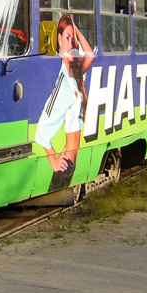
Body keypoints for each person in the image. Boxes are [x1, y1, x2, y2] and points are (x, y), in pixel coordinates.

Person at [34, 14, 95, 190]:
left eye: (72, 40)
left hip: (71, 163)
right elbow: (41, 133)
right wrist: (53, 160)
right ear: (59, 39)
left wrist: (74, 30)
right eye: (66, 38)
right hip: (65, 167)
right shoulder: (63, 85)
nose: (70, 44)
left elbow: (90, 55)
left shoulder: (76, 75)